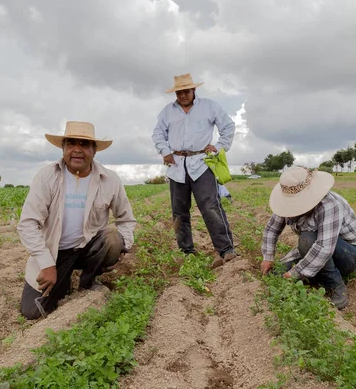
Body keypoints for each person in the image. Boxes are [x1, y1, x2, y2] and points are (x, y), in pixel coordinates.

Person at [17, 121, 136, 319]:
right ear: (63, 148)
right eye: (71, 143)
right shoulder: (47, 177)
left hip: (88, 249)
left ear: (94, 150)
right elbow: (28, 223)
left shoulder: (110, 179)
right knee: (32, 312)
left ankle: (88, 281)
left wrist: (123, 248)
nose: (77, 150)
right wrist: (46, 264)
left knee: (113, 239)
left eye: (84, 144)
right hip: (55, 254)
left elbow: (126, 219)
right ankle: (63, 280)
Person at [152, 73, 237, 268]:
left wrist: (219, 146)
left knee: (211, 207)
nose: (183, 95)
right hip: (177, 165)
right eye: (179, 92)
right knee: (179, 211)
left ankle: (226, 250)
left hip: (201, 163)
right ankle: (186, 251)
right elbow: (157, 133)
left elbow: (228, 126)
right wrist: (165, 151)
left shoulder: (209, 106)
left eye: (186, 91)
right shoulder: (167, 112)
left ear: (194, 90)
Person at [260, 166, 356, 309]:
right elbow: (272, 229)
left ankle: (335, 286)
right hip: (315, 248)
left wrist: (294, 273)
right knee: (276, 273)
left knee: (307, 238)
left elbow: (324, 247)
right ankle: (315, 274)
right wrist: (268, 257)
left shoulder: (329, 204)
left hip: (349, 254)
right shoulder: (287, 204)